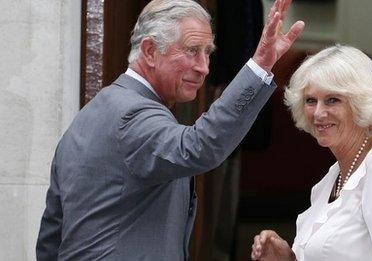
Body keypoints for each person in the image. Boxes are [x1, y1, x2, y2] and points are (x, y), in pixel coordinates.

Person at [35, 0, 304, 260]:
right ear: (150, 51)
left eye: (207, 52)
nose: (203, 67)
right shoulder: (132, 114)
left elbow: (52, 235)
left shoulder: (89, 115)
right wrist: (259, 67)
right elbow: (199, 147)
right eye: (191, 50)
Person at [251, 45, 372, 261]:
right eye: (310, 100)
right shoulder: (334, 176)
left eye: (332, 100)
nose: (318, 113)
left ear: (361, 103)